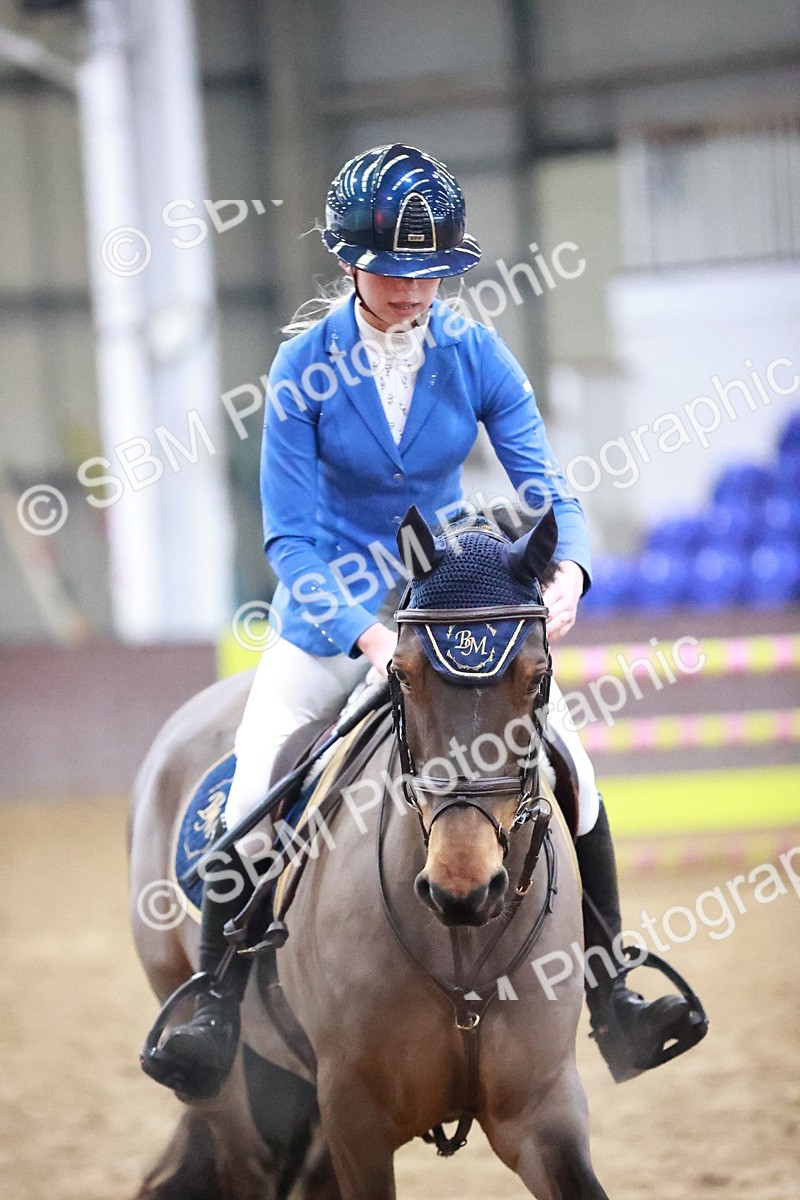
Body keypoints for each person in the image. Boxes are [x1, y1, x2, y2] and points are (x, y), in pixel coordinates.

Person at [145, 143, 699, 1100]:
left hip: (444, 613)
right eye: (395, 273)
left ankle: (610, 985)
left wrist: (569, 568)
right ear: (350, 264)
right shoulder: (300, 367)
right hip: (333, 622)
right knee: (253, 789)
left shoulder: (475, 352)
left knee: (573, 763)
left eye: (430, 274)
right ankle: (214, 998)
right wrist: (366, 636)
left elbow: (547, 483)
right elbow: (291, 540)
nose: (413, 291)